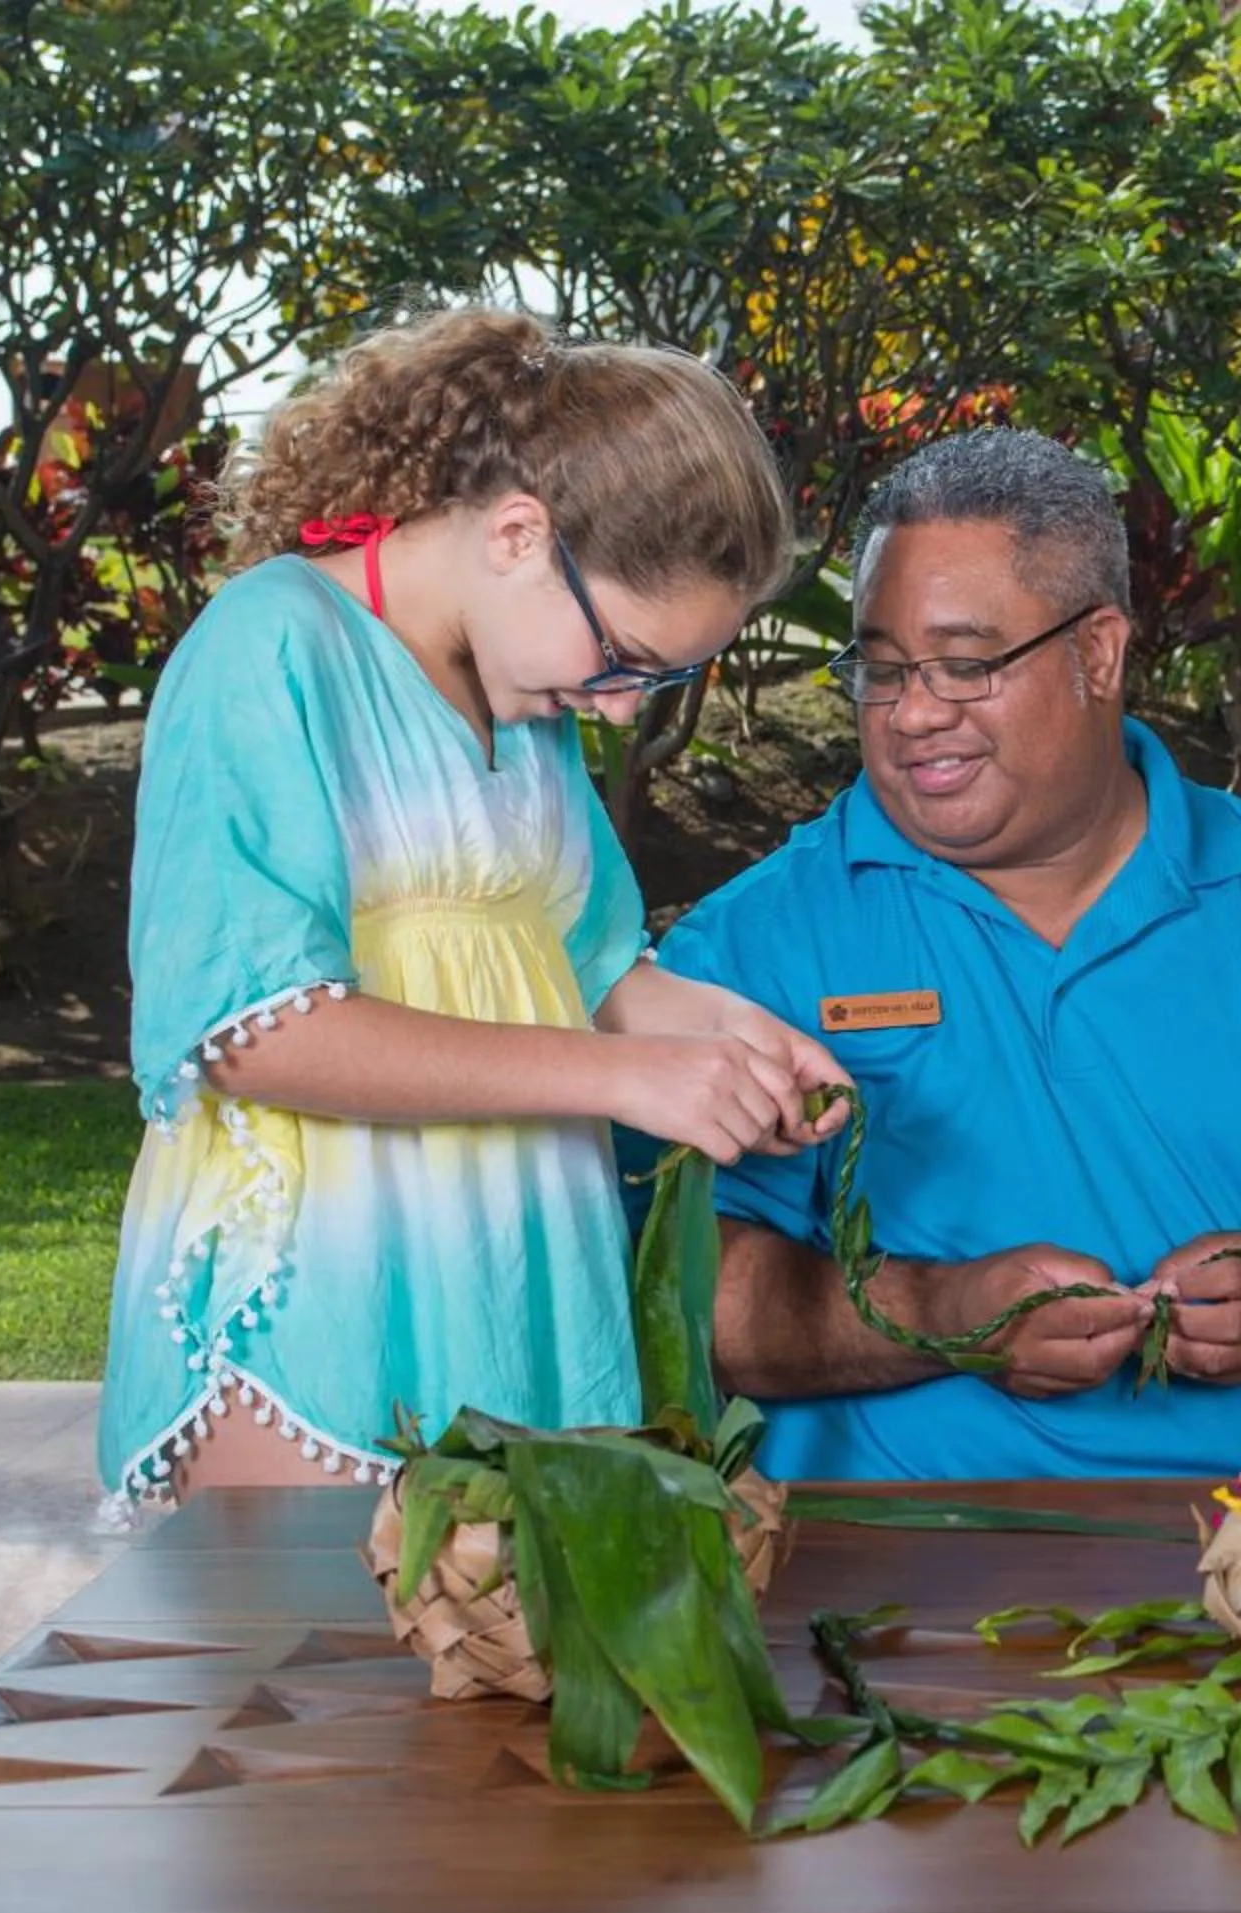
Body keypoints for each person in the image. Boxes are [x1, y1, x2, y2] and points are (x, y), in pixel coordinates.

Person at [649, 426, 1241, 1479]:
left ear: (1098, 652)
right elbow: (680, 1293)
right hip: (894, 1567)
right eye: (883, 668)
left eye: (964, 664)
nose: (912, 714)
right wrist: (939, 1312)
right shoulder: (749, 944)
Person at [100, 306, 849, 1517]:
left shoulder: (526, 700)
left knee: (488, 1689)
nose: (618, 711)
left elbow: (603, 970)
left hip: (517, 1276)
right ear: (517, 533)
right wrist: (620, 1084)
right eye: (625, 658)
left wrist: (736, 1043)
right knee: (316, 1690)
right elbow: (250, 1033)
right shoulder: (269, 648)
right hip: (327, 1289)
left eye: (654, 681)